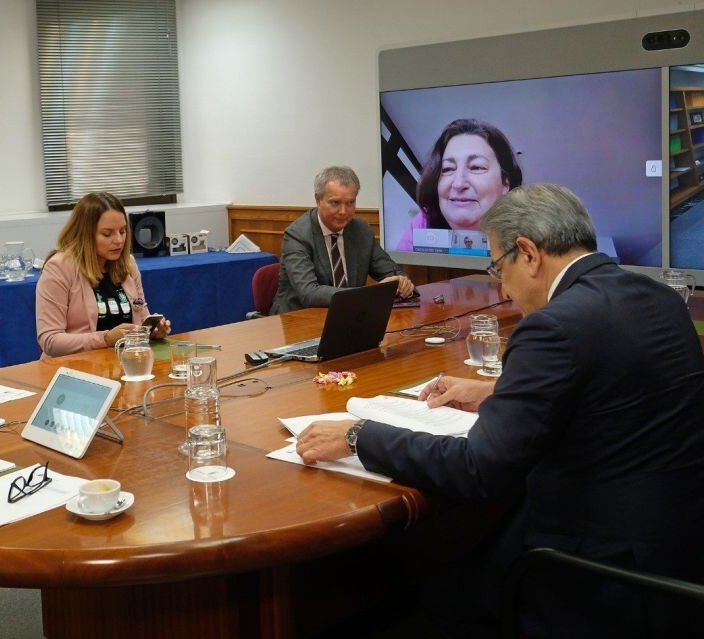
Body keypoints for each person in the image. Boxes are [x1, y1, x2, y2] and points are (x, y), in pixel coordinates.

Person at [297, 184, 704, 637]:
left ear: (528, 253)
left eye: (497, 266)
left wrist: (360, 435)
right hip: (677, 543)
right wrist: (496, 394)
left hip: (595, 569)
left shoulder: (552, 326)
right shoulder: (657, 298)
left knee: (420, 595)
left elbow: (477, 468)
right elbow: (613, 396)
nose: (501, 287)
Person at [36, 191, 171, 357]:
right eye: (107, 234)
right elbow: (50, 341)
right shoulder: (59, 267)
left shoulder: (128, 264)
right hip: (75, 369)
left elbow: (142, 318)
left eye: (122, 231)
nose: (119, 240)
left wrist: (153, 330)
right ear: (85, 234)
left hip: (126, 364)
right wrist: (105, 339)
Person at [270, 166, 413, 315]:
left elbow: (390, 271)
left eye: (350, 203)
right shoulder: (298, 235)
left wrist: (401, 283)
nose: (344, 211)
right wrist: (369, 294)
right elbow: (309, 293)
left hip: (347, 316)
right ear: (318, 200)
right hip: (299, 320)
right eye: (335, 203)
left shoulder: (360, 230)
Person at [397, 118, 523, 250]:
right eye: (448, 169)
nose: (458, 184)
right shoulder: (424, 223)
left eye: (476, 167)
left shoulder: (529, 234)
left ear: (505, 184)